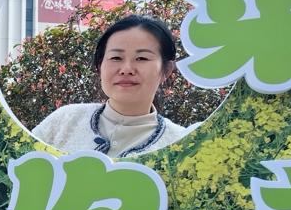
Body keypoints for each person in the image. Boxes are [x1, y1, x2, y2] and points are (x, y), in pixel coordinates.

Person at [31, 15, 190, 158]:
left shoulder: (182, 145)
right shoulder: (64, 121)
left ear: (166, 70)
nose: (126, 69)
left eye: (142, 58)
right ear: (100, 65)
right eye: (116, 57)